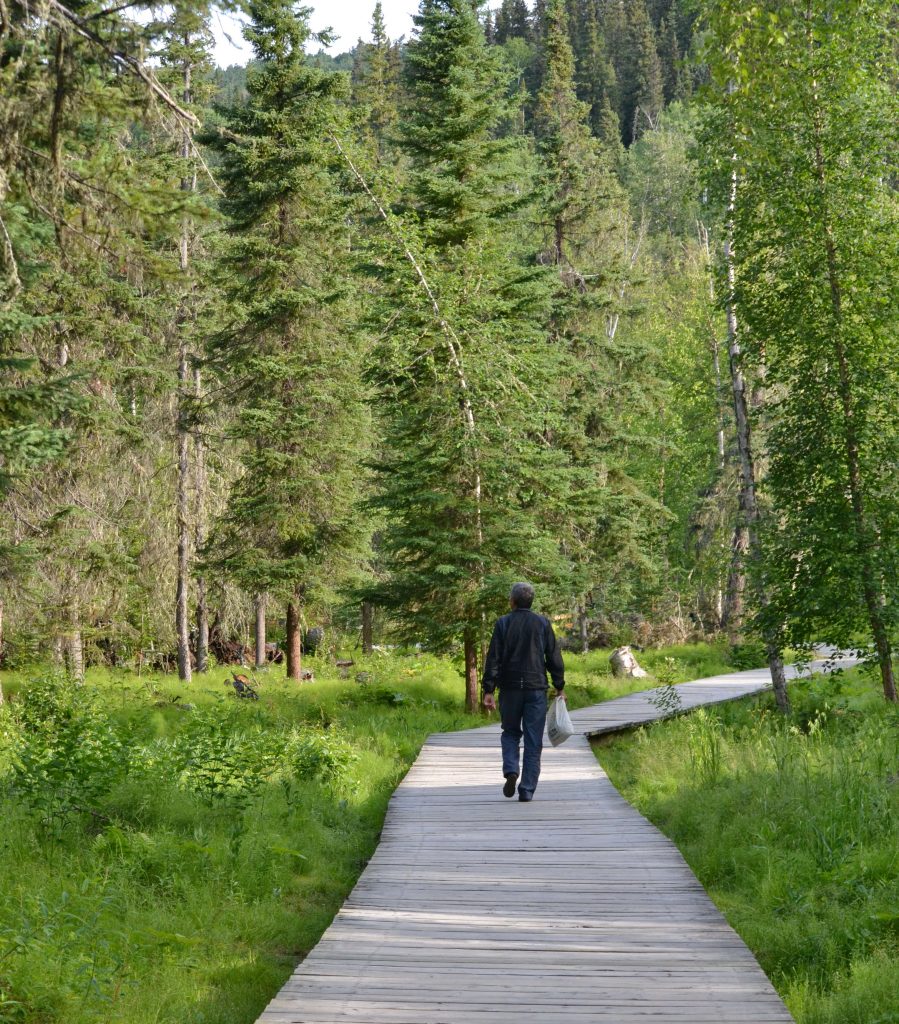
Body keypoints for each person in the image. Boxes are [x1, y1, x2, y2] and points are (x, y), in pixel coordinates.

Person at [481, 582, 565, 802]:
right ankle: (526, 789)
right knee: (533, 739)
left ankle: (511, 770)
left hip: (509, 689)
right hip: (535, 688)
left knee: (509, 732)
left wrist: (488, 689)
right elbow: (553, 657)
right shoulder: (542, 623)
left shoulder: (503, 623)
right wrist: (559, 686)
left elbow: (494, 659)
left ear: (512, 601)